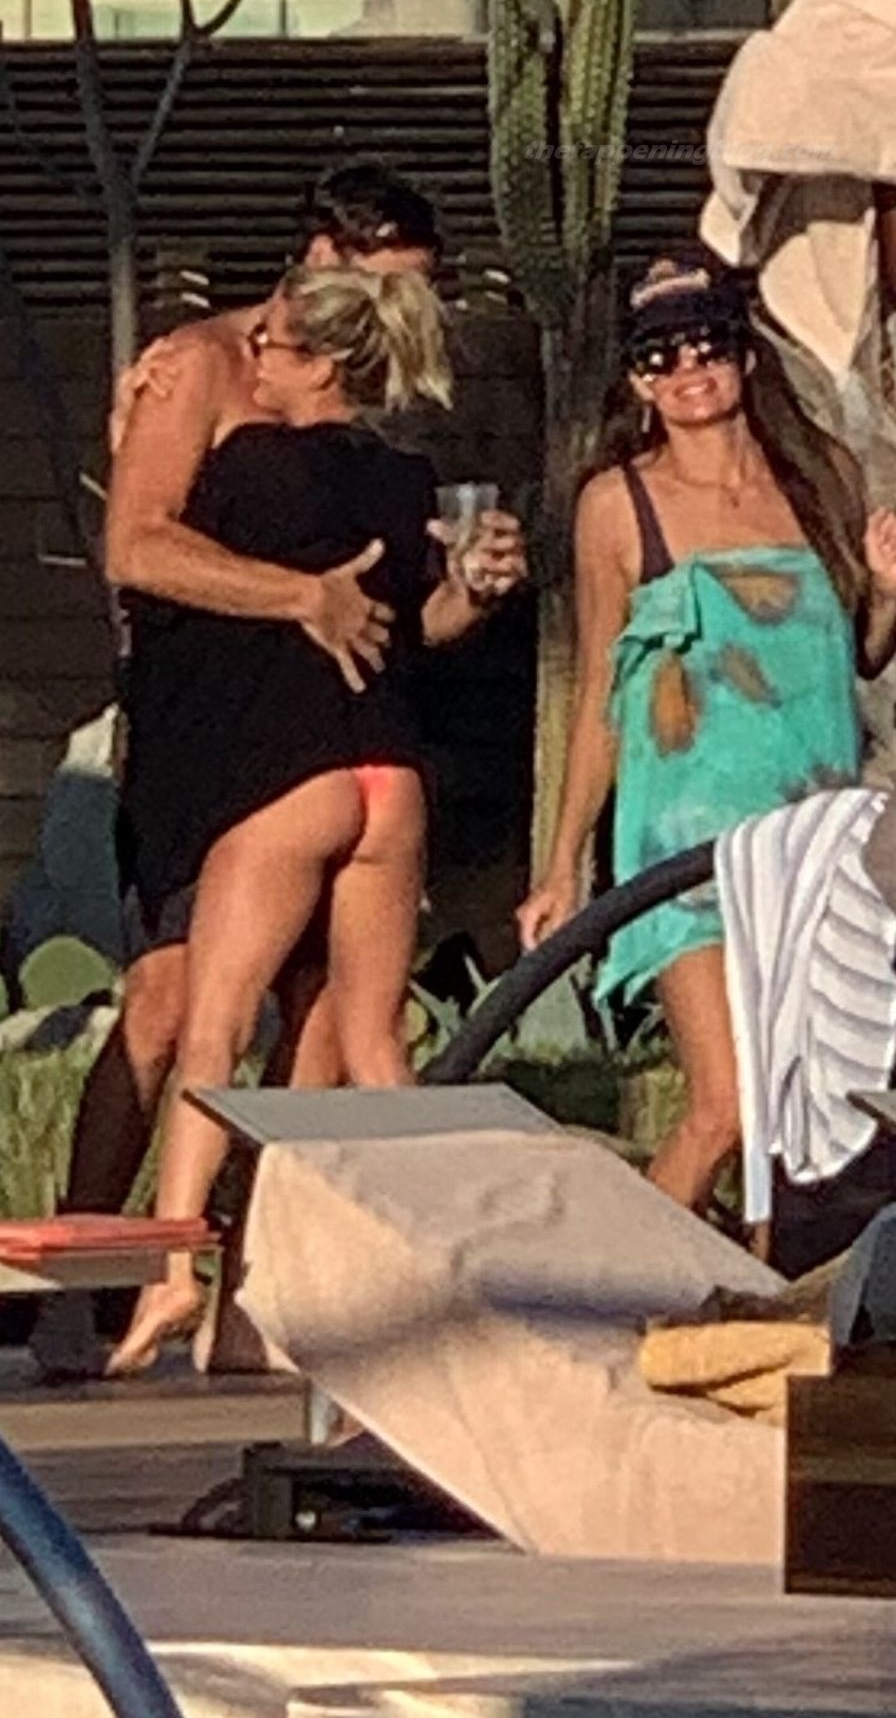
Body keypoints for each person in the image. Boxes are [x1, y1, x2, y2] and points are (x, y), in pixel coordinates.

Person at [66, 163, 524, 1247]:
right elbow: (135, 545)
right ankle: (77, 1270)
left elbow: (387, 619)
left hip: (335, 740)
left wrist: (468, 592)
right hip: (205, 729)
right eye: (391, 284)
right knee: (168, 1005)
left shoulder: (366, 402)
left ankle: (253, 1273)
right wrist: (297, 596)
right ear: (323, 256)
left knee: (323, 1020)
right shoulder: (201, 365)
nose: (407, 312)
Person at [518, 257, 896, 1220]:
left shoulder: (820, 475)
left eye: (708, 345)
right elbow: (600, 688)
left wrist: (889, 590)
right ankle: (624, 1284)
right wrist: (563, 864)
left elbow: (858, 651)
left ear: (745, 356)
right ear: (638, 382)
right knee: (724, 1106)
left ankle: (756, 1292)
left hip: (812, 839)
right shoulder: (618, 504)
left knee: (807, 1115)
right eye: (662, 355)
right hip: (686, 843)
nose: (689, 369)